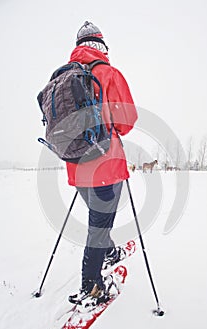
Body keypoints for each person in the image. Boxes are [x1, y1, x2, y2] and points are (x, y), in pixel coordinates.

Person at [67, 21, 138, 305]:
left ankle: (108, 251)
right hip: (105, 166)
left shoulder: (63, 77)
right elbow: (126, 121)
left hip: (75, 166)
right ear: (101, 46)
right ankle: (91, 287)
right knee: (99, 225)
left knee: (99, 219)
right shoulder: (107, 73)